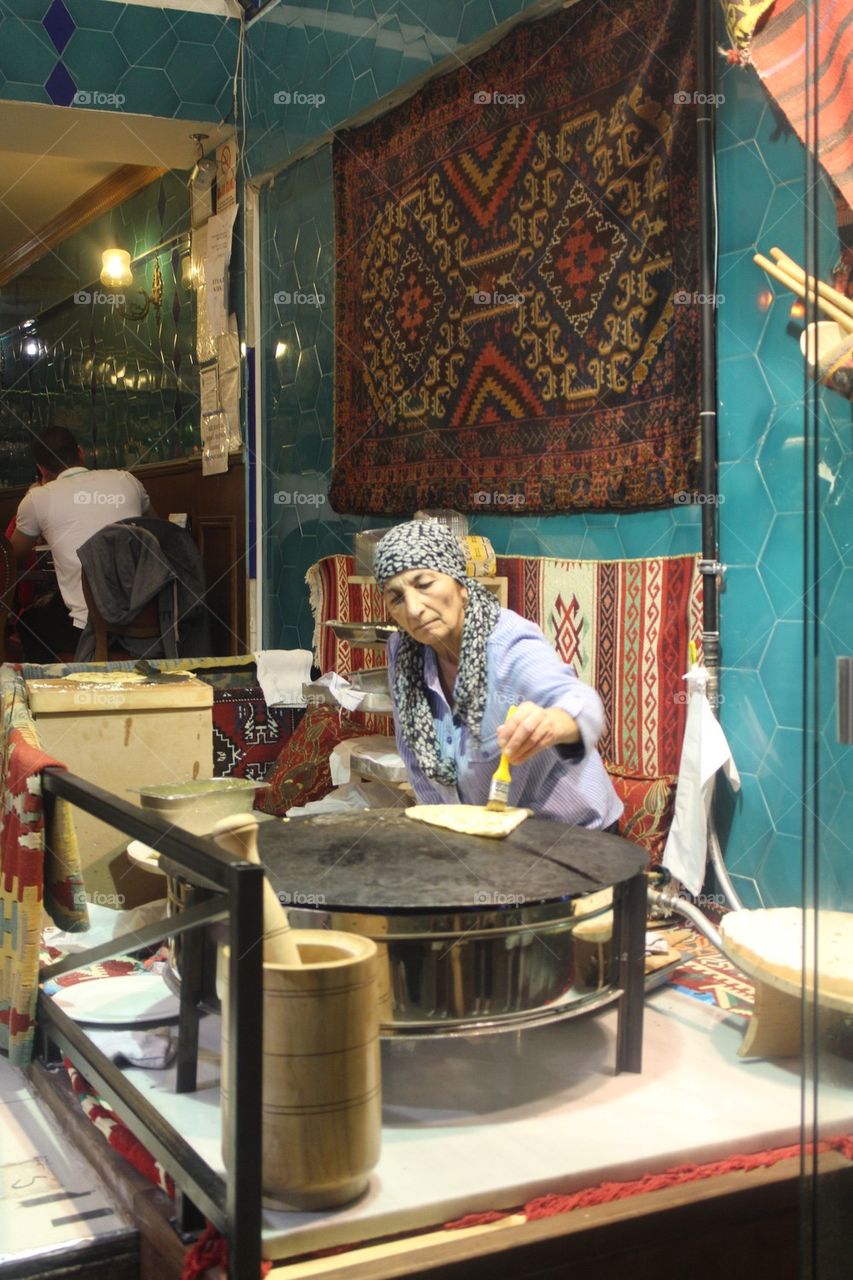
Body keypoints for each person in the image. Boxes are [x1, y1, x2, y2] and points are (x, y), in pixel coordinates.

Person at [373, 521, 623, 830]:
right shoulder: (405, 650)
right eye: (396, 597)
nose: (413, 609)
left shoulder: (508, 643)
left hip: (573, 836)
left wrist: (554, 724)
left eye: (424, 584)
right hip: (488, 838)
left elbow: (581, 703)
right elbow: (416, 762)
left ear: (460, 586)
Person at [10, 427, 153, 663]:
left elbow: (11, 556)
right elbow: (156, 528)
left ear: (41, 469)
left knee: (28, 623)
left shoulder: (38, 498)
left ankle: (55, 687)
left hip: (89, 627)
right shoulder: (127, 480)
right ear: (81, 453)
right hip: (149, 615)